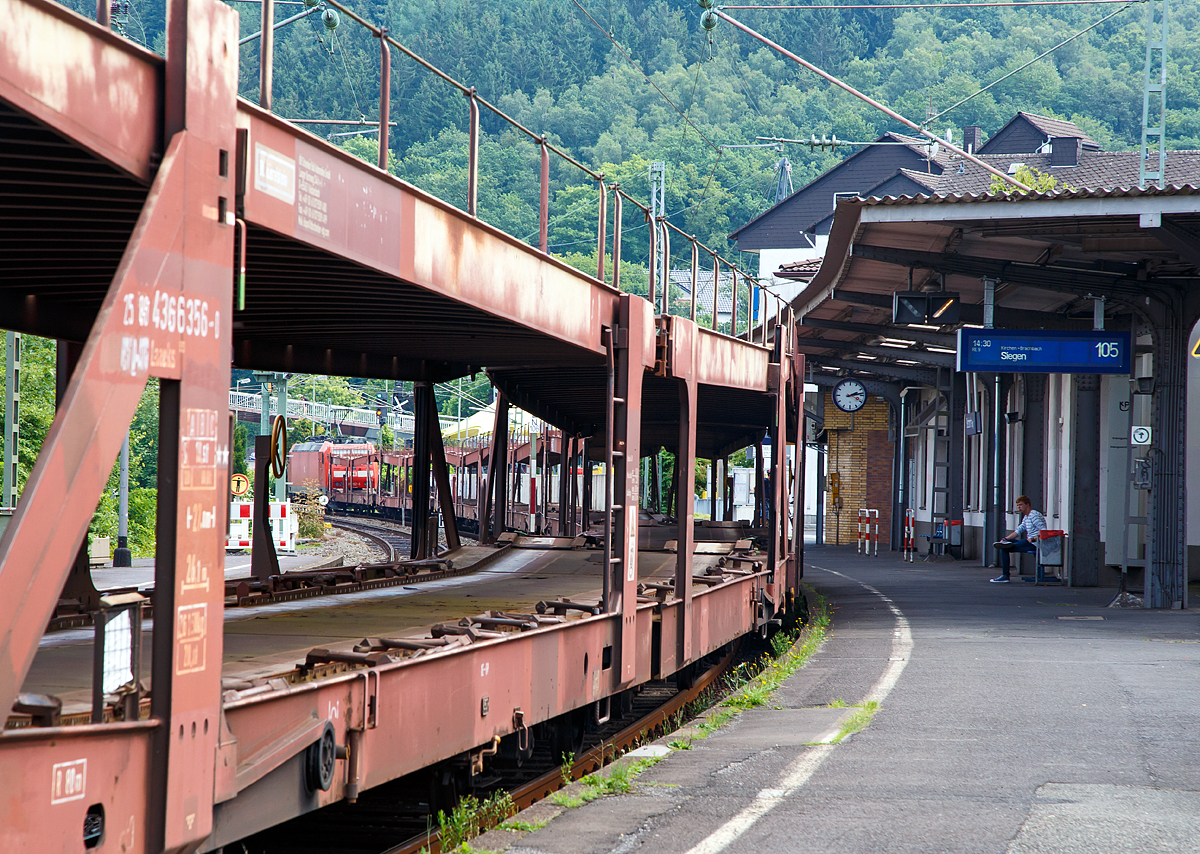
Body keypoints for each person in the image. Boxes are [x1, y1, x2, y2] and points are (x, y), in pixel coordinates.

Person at [990, 495, 1046, 583]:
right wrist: (1005, 538)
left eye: (1021, 505)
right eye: (1018, 505)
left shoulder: (1034, 515)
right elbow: (1018, 531)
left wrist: (1032, 539)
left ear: (1027, 505)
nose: (1019, 507)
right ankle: (1006, 544)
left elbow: (1043, 531)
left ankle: (1005, 575)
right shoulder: (1027, 517)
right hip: (1029, 542)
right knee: (1005, 545)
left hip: (1034, 544)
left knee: (1006, 548)